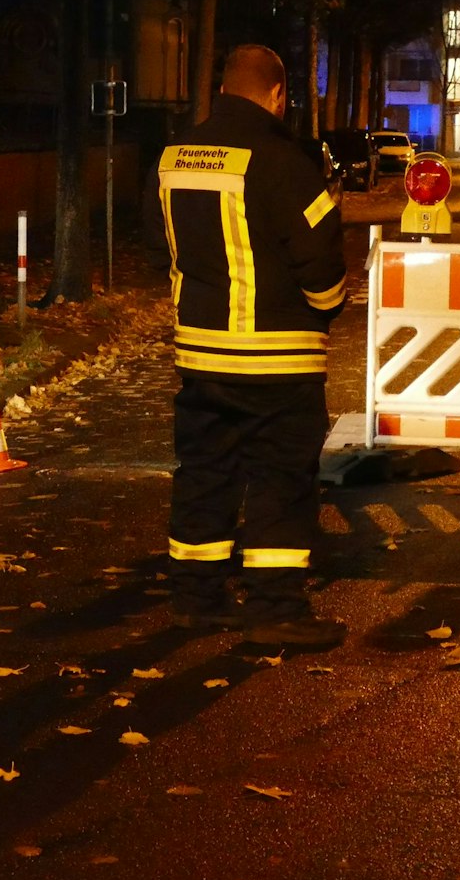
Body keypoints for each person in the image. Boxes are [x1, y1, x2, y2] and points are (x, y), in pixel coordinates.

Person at [143, 45, 349, 649]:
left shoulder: (172, 158)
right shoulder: (286, 161)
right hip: (280, 360)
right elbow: (321, 261)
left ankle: (196, 599)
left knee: (204, 472)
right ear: (278, 94)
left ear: (222, 88)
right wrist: (325, 307)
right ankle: (275, 608)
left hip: (201, 356)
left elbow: (159, 248)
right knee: (281, 480)